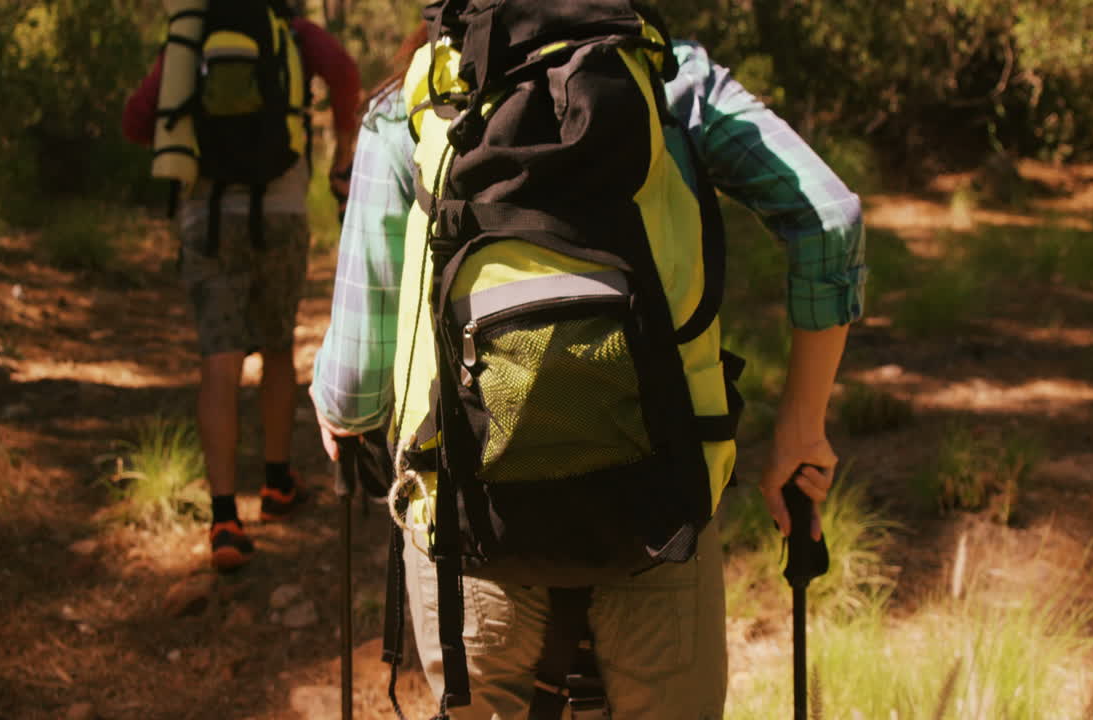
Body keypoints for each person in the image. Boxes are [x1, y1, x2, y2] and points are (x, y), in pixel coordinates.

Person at [310, 23, 864, 718]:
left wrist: (340, 409)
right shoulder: (671, 80)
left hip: (472, 528)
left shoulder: (414, 104)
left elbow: (353, 392)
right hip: (660, 518)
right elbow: (829, 220)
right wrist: (800, 433)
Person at [122, 6, 361, 572]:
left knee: (219, 359)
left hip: (206, 217)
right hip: (281, 212)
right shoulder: (295, 35)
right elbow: (347, 74)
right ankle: (278, 483)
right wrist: (340, 148)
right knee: (278, 346)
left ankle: (225, 519)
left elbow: (137, 120)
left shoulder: (193, 36)